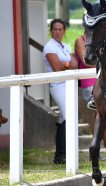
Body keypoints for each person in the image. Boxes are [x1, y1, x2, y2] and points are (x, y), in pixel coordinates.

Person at [74, 33, 106, 159]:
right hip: (89, 82)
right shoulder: (80, 40)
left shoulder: (102, 38)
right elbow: (87, 61)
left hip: (102, 81)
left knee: (102, 115)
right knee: (100, 115)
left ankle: (102, 148)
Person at [42, 18, 78, 164]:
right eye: (55, 29)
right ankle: (63, 154)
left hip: (69, 85)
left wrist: (67, 64)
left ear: (64, 31)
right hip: (57, 86)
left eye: (60, 29)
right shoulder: (49, 47)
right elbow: (56, 68)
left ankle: (60, 156)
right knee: (69, 116)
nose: (57, 32)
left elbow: (75, 65)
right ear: (51, 31)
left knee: (65, 118)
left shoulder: (66, 46)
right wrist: (68, 63)